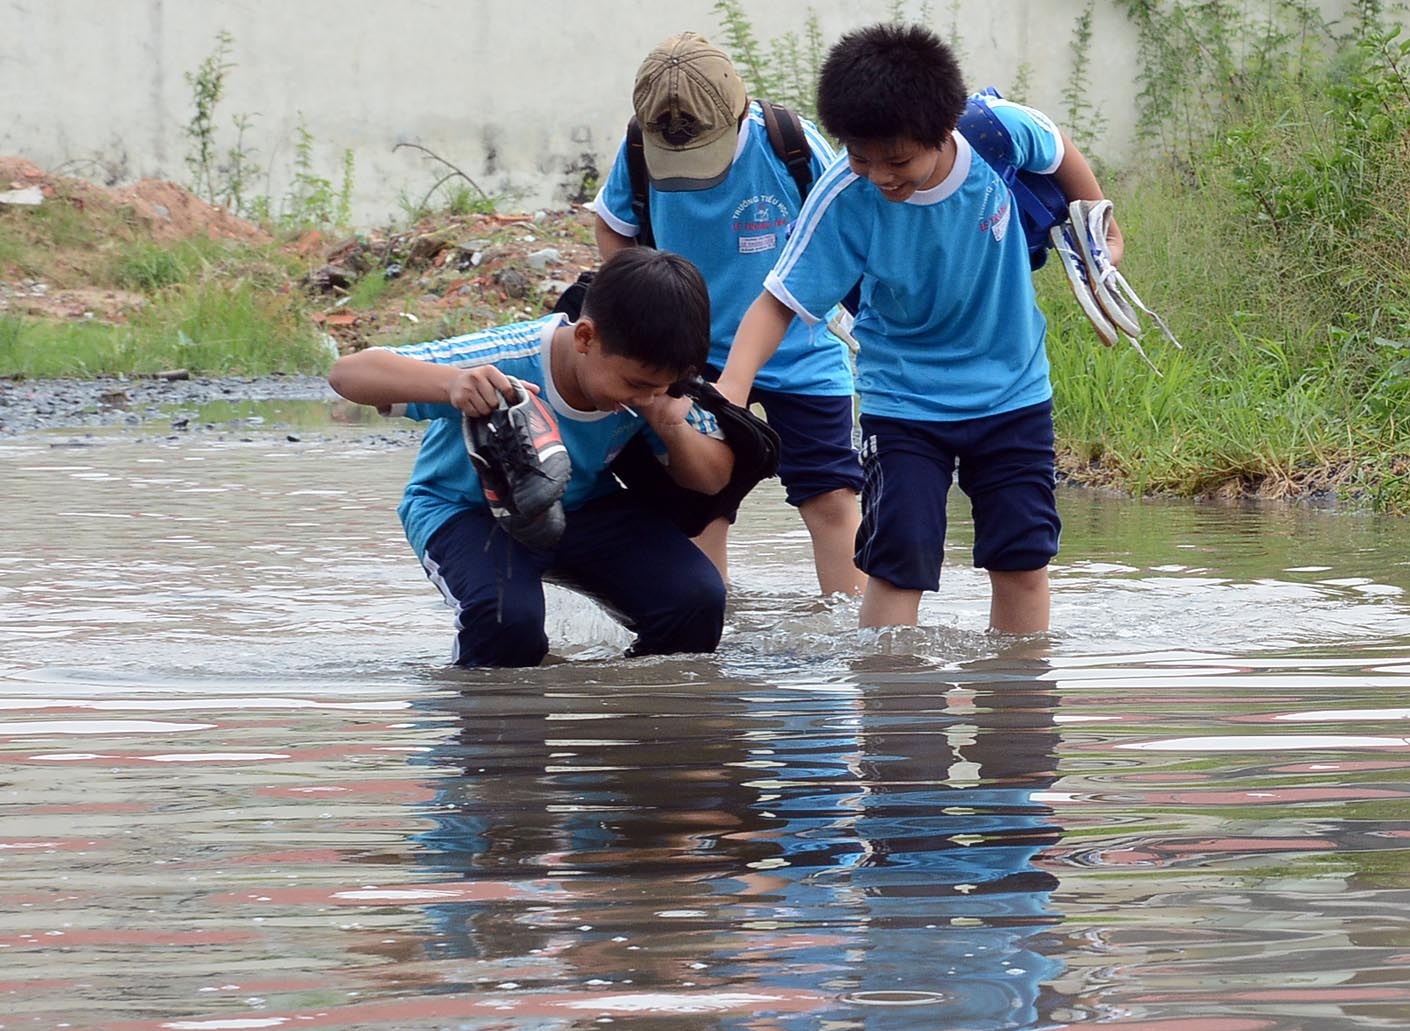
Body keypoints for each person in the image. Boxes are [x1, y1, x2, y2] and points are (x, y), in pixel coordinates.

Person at [716, 23, 1122, 635]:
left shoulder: (997, 134)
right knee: (897, 565)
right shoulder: (844, 196)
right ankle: (891, 711)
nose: (879, 174)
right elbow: (778, 302)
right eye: (861, 155)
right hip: (903, 403)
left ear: (942, 130)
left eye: (897, 159)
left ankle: (1019, 715)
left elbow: (1057, 148)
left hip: (1014, 393)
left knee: (1023, 562)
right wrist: (732, 387)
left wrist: (1101, 232)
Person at [327, 247, 732, 668]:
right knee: (508, 621)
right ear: (585, 338)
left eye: (661, 387)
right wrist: (451, 384)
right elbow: (348, 374)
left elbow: (712, 480)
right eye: (635, 384)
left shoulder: (661, 383)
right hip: (465, 509)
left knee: (696, 601)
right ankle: (489, 720)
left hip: (585, 506)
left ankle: (636, 715)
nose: (648, 396)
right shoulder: (508, 356)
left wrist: (672, 426)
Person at [593, 32, 864, 597]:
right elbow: (615, 226)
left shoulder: (791, 145)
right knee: (700, 504)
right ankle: (706, 645)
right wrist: (641, 321)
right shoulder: (640, 148)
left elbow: (847, 227)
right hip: (691, 360)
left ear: (739, 113)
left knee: (831, 497)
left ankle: (857, 646)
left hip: (803, 352)